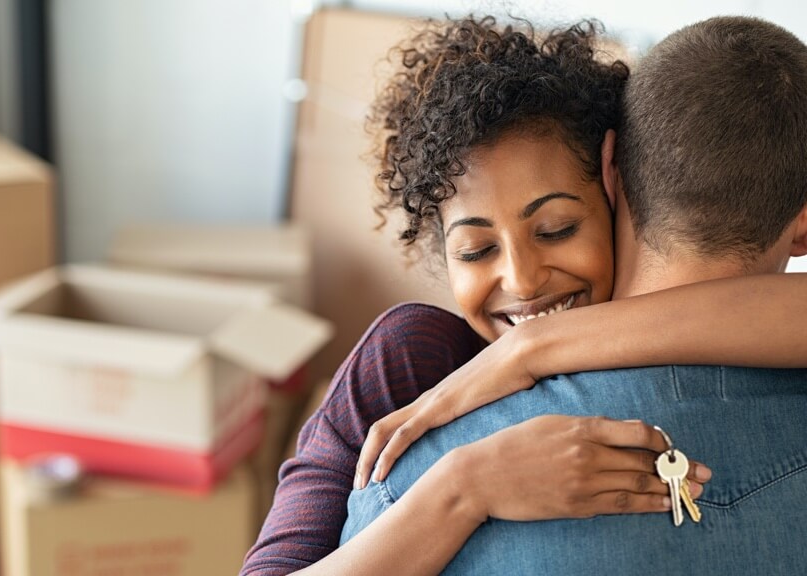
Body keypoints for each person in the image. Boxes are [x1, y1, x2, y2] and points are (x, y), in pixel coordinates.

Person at [241, 15, 807, 576]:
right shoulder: (409, 363)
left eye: (557, 229)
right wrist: (465, 488)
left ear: (613, 182)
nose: (525, 281)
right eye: (475, 250)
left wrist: (535, 345)